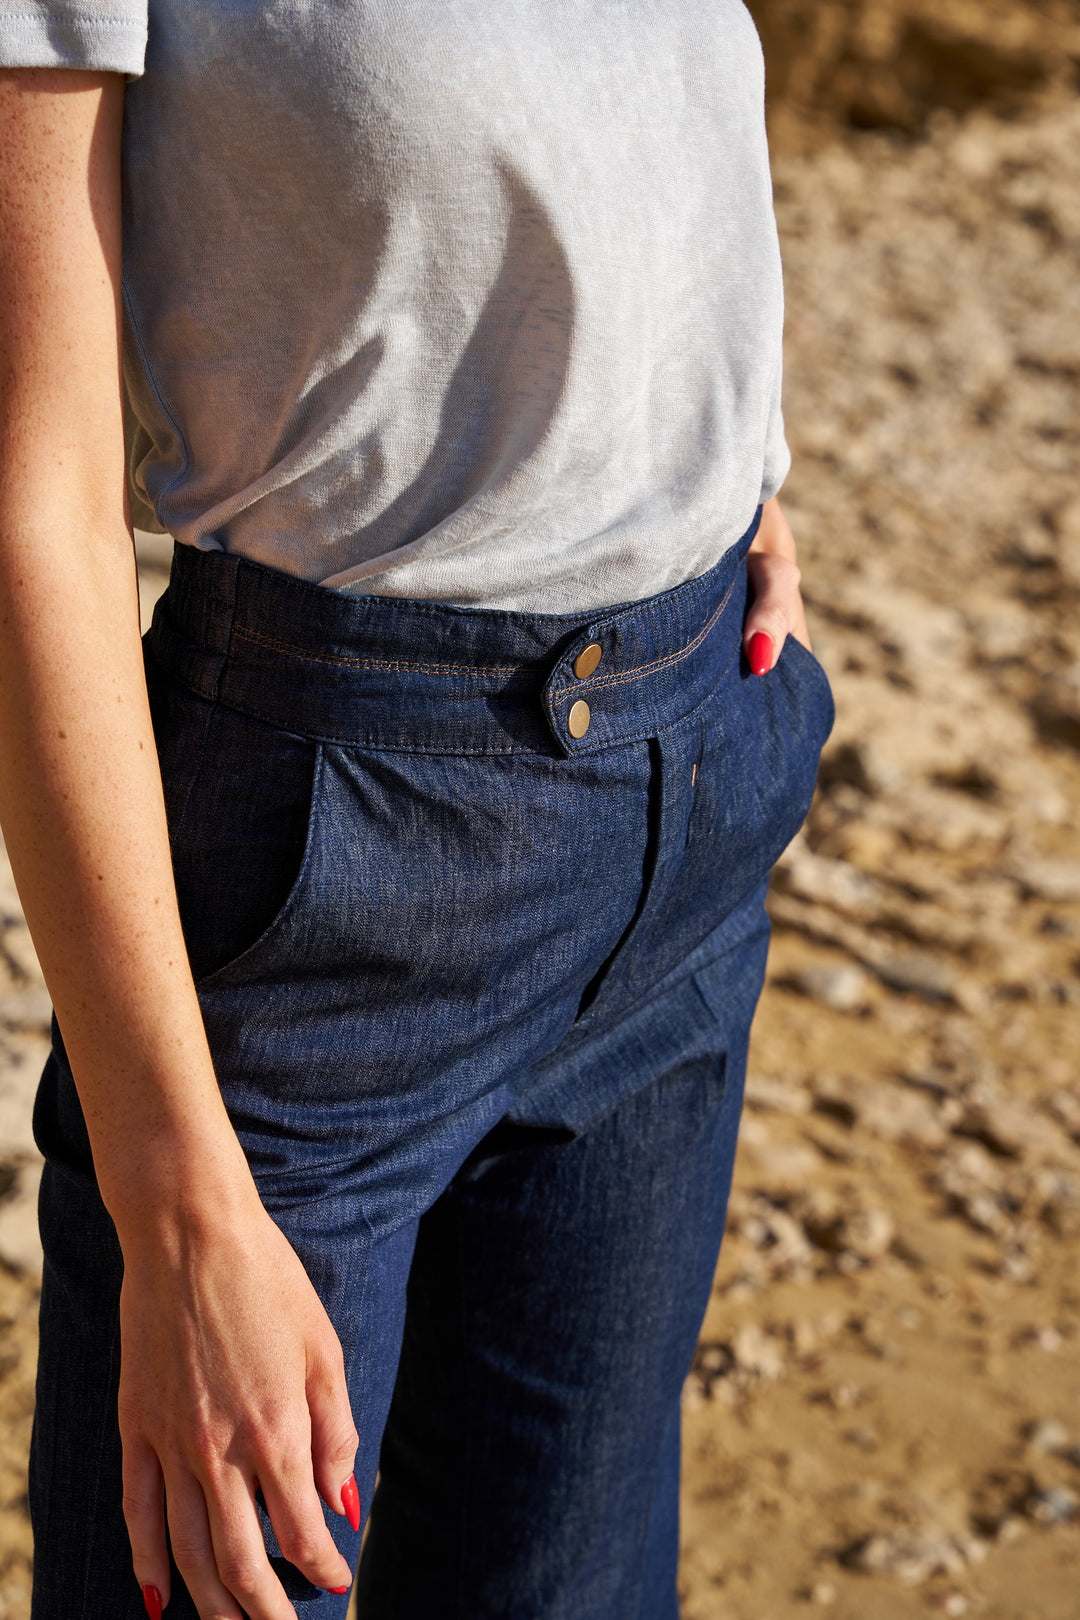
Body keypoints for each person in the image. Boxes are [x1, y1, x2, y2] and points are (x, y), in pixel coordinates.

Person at [0, 3, 833, 1616]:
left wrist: (727, 466)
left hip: (688, 817)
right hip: (336, 874)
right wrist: (176, 1202)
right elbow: (34, 504)